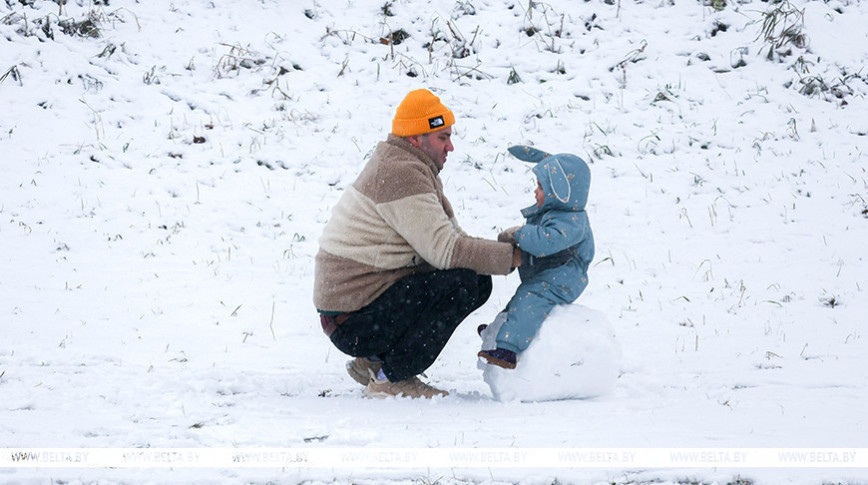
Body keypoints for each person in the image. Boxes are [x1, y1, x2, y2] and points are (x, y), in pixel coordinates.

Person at [313, 89, 522, 398]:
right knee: (464, 284)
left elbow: (452, 243)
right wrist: (514, 258)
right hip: (352, 320)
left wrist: (507, 247)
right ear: (415, 138)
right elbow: (447, 251)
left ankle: (372, 362)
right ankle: (392, 377)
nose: (450, 146)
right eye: (443, 137)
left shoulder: (407, 164)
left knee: (475, 280)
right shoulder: (401, 173)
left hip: (353, 311)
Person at [478, 145, 595, 369]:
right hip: (550, 274)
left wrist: (519, 233)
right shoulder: (558, 214)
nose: (535, 192)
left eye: (541, 187)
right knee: (519, 300)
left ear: (561, 191)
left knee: (530, 301)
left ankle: (508, 349)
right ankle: (495, 332)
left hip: (563, 278)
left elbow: (546, 242)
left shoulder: (572, 221)